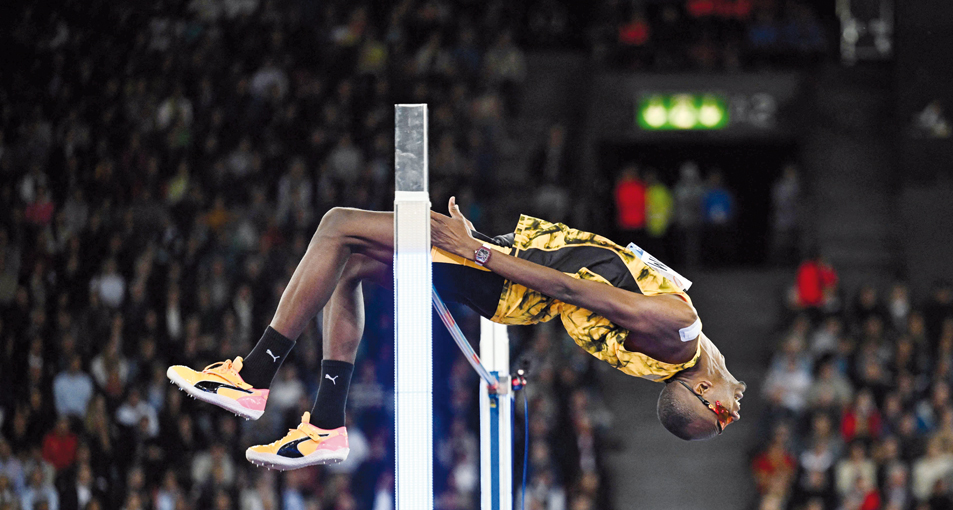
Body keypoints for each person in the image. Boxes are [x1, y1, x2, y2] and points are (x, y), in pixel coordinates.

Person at [168, 199, 745, 470]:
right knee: (352, 268)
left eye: (719, 415)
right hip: (512, 274)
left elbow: (576, 290)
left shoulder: (677, 331)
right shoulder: (686, 348)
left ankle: (253, 375)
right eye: (723, 417)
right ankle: (325, 425)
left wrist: (479, 251)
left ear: (698, 391)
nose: (733, 412)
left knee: (339, 227)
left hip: (507, 278)